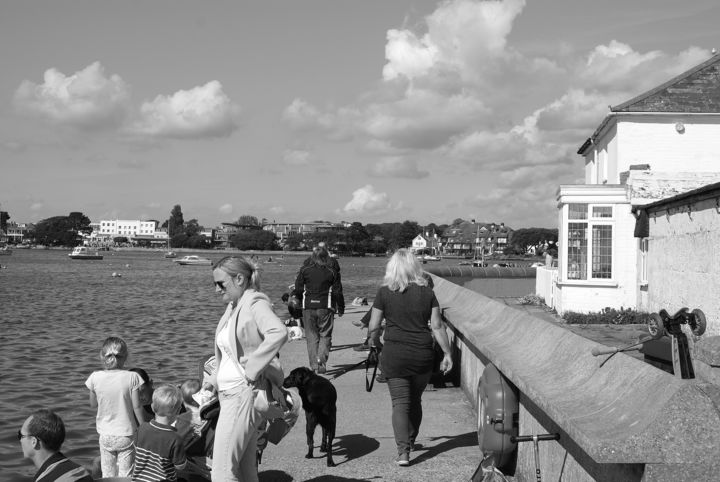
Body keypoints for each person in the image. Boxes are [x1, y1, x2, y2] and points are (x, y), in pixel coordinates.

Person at [367, 248, 453, 467]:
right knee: (415, 400)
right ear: (416, 267)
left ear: (392, 268)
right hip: (422, 355)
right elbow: (436, 325)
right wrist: (447, 353)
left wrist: (374, 343)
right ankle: (411, 440)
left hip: (395, 355)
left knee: (400, 403)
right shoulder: (427, 293)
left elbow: (374, 325)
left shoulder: (384, 292)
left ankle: (403, 452)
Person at [205, 255, 288, 481]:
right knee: (244, 469)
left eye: (220, 284)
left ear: (239, 279)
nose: (216, 290)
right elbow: (232, 351)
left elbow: (278, 332)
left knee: (222, 472)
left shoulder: (254, 302)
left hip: (242, 395)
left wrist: (252, 369)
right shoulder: (234, 306)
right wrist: (213, 380)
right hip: (233, 394)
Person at [85, 336, 145, 478]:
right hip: (126, 434)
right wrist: (144, 427)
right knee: (126, 475)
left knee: (107, 473)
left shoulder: (95, 377)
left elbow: (93, 404)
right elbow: (137, 407)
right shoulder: (132, 377)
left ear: (102, 356)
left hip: (105, 434)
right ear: (125, 357)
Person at [293, 245, 345, 374]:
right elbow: (338, 291)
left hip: (308, 306)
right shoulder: (332, 271)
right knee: (325, 335)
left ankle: (314, 365)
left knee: (311, 337)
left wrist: (296, 301)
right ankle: (321, 360)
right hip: (325, 306)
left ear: (313, 257)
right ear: (327, 257)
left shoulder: (305, 270)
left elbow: (298, 289)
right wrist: (341, 307)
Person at [19, 409, 93, 482]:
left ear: (33, 442)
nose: (20, 440)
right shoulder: (81, 472)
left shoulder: (46, 479)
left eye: (21, 435)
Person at [133, 384, 187, 481]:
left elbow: (136, 450)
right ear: (178, 410)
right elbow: (180, 466)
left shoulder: (142, 428)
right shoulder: (175, 438)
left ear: (152, 407)